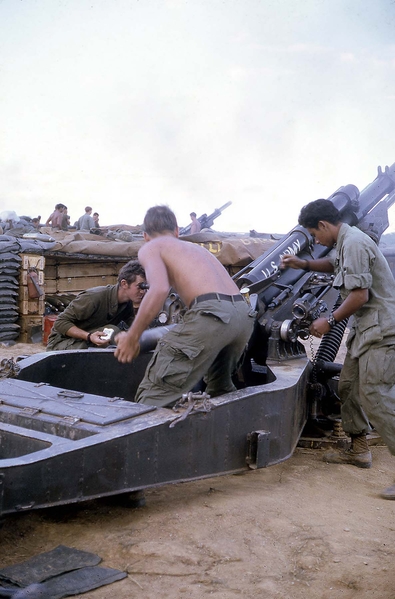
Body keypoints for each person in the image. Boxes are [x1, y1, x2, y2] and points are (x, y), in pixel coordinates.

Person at [281, 198, 395, 500]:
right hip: (366, 329)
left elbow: (359, 294)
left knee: (376, 395)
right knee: (347, 387)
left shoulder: (354, 242)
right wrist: (303, 263)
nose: (316, 240)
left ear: (323, 225)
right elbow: (334, 265)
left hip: (383, 330)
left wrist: (329, 321)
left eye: (315, 235)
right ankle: (359, 450)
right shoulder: (346, 242)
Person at [114, 204, 255, 408]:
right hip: (242, 316)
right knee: (220, 389)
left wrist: (132, 337)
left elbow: (159, 289)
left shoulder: (152, 247)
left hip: (212, 314)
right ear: (177, 231)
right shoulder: (195, 249)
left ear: (145, 236)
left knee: (154, 396)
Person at [46, 261, 147, 351]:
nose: (143, 291)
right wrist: (89, 336)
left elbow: (134, 326)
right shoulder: (93, 297)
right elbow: (60, 322)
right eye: (140, 287)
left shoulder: (127, 302)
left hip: (84, 340)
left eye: (145, 287)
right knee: (112, 332)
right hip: (60, 344)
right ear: (124, 284)